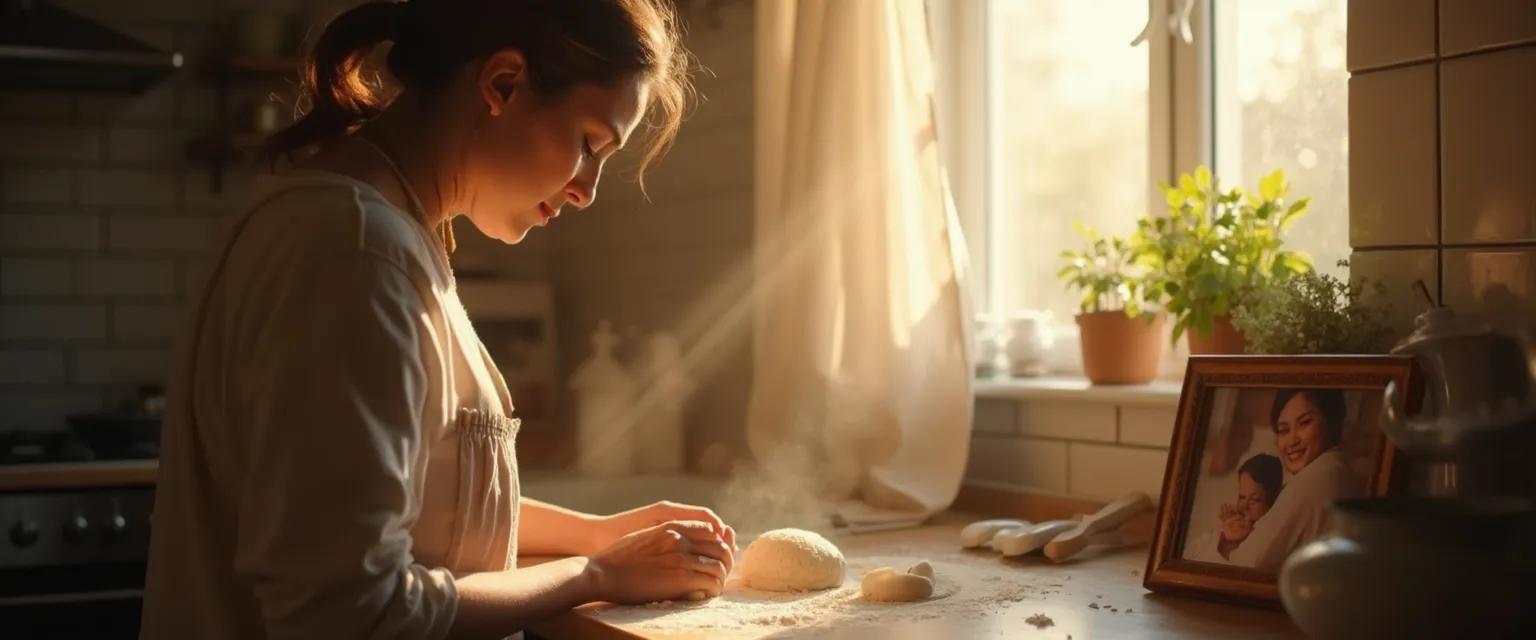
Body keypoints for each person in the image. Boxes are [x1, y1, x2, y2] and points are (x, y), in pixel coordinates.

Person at [140, 2, 737, 638]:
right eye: (589, 144)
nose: (585, 191)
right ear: (502, 84)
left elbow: (420, 504)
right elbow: (347, 613)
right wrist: (593, 572)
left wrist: (600, 533)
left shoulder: (379, 233)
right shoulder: (353, 251)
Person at [1227, 388, 1363, 572]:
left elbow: (1245, 563)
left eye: (1305, 423)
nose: (1292, 440)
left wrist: (1231, 542)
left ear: (1330, 421)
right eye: (1283, 430)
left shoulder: (1318, 475)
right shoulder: (1336, 468)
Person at [1184, 454, 1283, 564]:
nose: (1242, 507)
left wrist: (1230, 544)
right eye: (1241, 497)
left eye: (1253, 500)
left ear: (1272, 503)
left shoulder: (1266, 541)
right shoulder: (1217, 534)